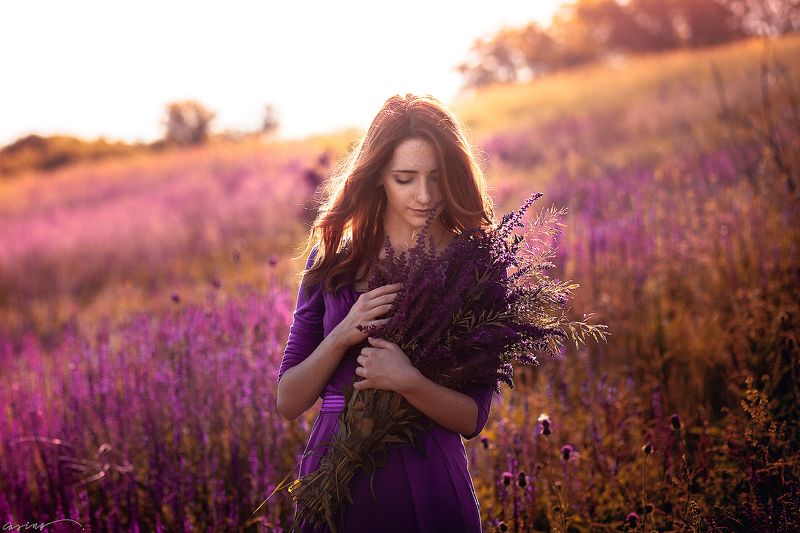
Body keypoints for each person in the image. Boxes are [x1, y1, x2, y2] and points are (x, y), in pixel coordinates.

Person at [276, 93, 497, 532]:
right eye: (405, 178)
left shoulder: (474, 266)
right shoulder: (333, 258)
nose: (425, 195)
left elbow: (472, 417)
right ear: (377, 176)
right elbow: (288, 399)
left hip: (429, 469)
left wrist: (407, 381)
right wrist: (342, 333)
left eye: (437, 177)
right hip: (335, 468)